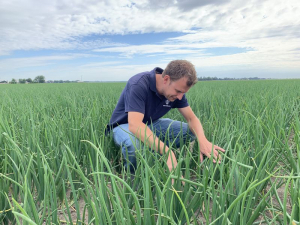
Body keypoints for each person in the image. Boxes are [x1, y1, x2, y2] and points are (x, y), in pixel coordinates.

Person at [107, 60, 225, 173]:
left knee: (191, 132)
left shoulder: (177, 91)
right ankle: (134, 175)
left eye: (183, 93)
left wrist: (203, 140)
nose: (180, 97)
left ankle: (154, 153)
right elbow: (135, 125)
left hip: (152, 124)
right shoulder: (138, 83)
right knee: (134, 144)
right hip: (124, 126)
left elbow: (191, 118)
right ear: (166, 79)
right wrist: (167, 151)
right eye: (178, 91)